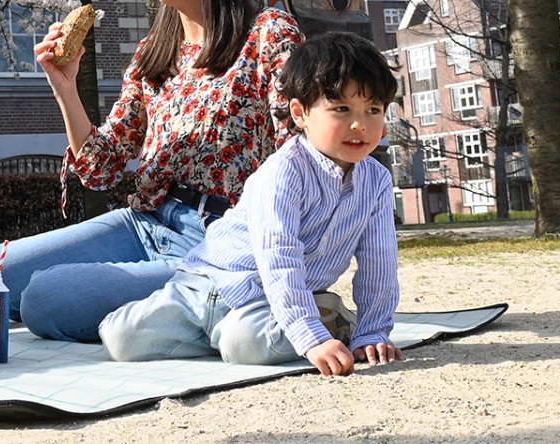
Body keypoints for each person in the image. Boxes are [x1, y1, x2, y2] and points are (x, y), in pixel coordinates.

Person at [0, 0, 305, 342]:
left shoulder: (268, 35)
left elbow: (300, 153)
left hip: (218, 240)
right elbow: (101, 166)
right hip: (143, 222)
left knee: (45, 300)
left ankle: (219, 301)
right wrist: (64, 86)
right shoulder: (155, 52)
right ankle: (178, 311)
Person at [99, 32, 401, 373]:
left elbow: (380, 262)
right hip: (207, 284)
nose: (360, 124)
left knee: (241, 345)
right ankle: (228, 331)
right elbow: (279, 253)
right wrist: (308, 335)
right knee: (120, 339)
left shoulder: (375, 181)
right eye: (341, 109)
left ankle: (329, 319)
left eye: (373, 109)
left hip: (271, 303)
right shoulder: (284, 171)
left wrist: (373, 329)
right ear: (300, 114)